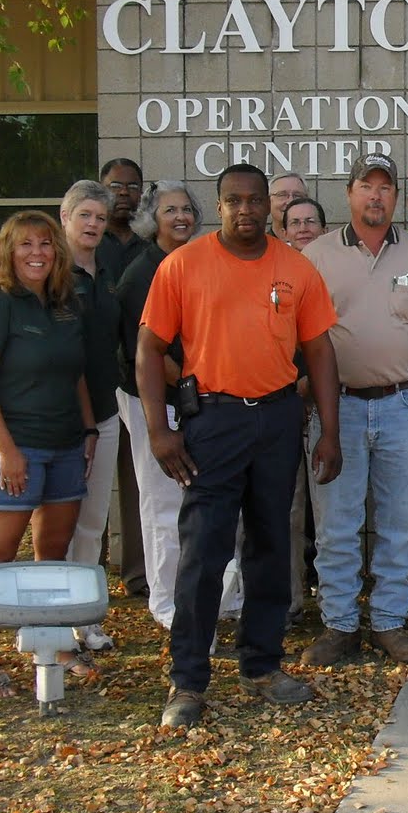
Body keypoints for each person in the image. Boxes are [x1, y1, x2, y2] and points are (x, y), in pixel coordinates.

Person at [139, 163, 342, 729]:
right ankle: (187, 680)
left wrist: (330, 430)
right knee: (203, 550)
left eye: (255, 201)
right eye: (234, 200)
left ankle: (262, 663)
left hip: (277, 418)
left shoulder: (296, 268)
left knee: (272, 544)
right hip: (214, 421)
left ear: (269, 208)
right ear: (220, 205)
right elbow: (148, 350)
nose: (246, 210)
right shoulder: (184, 265)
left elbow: (321, 352)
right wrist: (159, 429)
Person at [300, 153, 408, 667]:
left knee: (401, 519)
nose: (377, 196)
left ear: (396, 197)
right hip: (336, 408)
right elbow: (303, 333)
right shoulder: (315, 256)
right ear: (350, 193)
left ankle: (388, 621)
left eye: (386, 187)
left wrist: (401, 359)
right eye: (367, 185)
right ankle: (339, 625)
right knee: (336, 522)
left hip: (403, 403)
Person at [0, 212, 98, 699]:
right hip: (11, 447)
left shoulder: (64, 304)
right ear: (8, 250)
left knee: (53, 557)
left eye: (45, 243)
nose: (37, 252)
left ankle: (56, 646)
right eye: (25, 244)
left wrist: (88, 429)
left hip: (65, 445)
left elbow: (76, 373)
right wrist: (7, 451)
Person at [117, 182, 243, 632]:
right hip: (161, 402)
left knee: (206, 500)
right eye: (170, 210)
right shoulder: (143, 272)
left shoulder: (197, 262)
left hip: (199, 400)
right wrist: (199, 384)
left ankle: (219, 598)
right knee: (164, 501)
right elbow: (150, 352)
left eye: (187, 209)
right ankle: (168, 603)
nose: (181, 217)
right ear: (154, 219)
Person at [61, 181, 123, 653]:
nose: (93, 225)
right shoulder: (51, 273)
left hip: (105, 410)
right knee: (57, 524)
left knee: (93, 521)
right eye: (85, 215)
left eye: (100, 218)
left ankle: (84, 618)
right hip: (58, 419)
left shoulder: (106, 269)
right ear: (65, 217)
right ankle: (53, 622)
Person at [96, 156, 149, 600]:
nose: (124, 194)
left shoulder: (146, 246)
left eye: (133, 187)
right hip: (94, 377)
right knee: (88, 480)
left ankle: (138, 573)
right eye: (116, 186)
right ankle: (85, 572)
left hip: (136, 381)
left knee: (137, 480)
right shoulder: (93, 243)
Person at [281, 194, 327, 619]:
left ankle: (328, 593)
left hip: (324, 400)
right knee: (288, 508)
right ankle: (291, 599)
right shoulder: (271, 271)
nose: (303, 228)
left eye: (311, 220)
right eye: (295, 222)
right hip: (280, 403)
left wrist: (315, 381)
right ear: (283, 230)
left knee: (328, 509)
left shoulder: (329, 272)